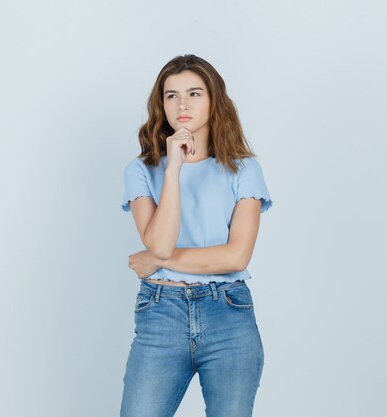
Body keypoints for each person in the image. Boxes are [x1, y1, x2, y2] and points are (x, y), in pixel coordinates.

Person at [119, 54, 273, 417]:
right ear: (161, 105)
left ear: (214, 99)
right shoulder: (141, 171)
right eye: (171, 95)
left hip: (228, 314)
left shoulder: (243, 169)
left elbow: (236, 257)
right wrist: (173, 170)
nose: (182, 104)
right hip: (161, 313)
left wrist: (156, 261)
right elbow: (159, 242)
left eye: (194, 93)